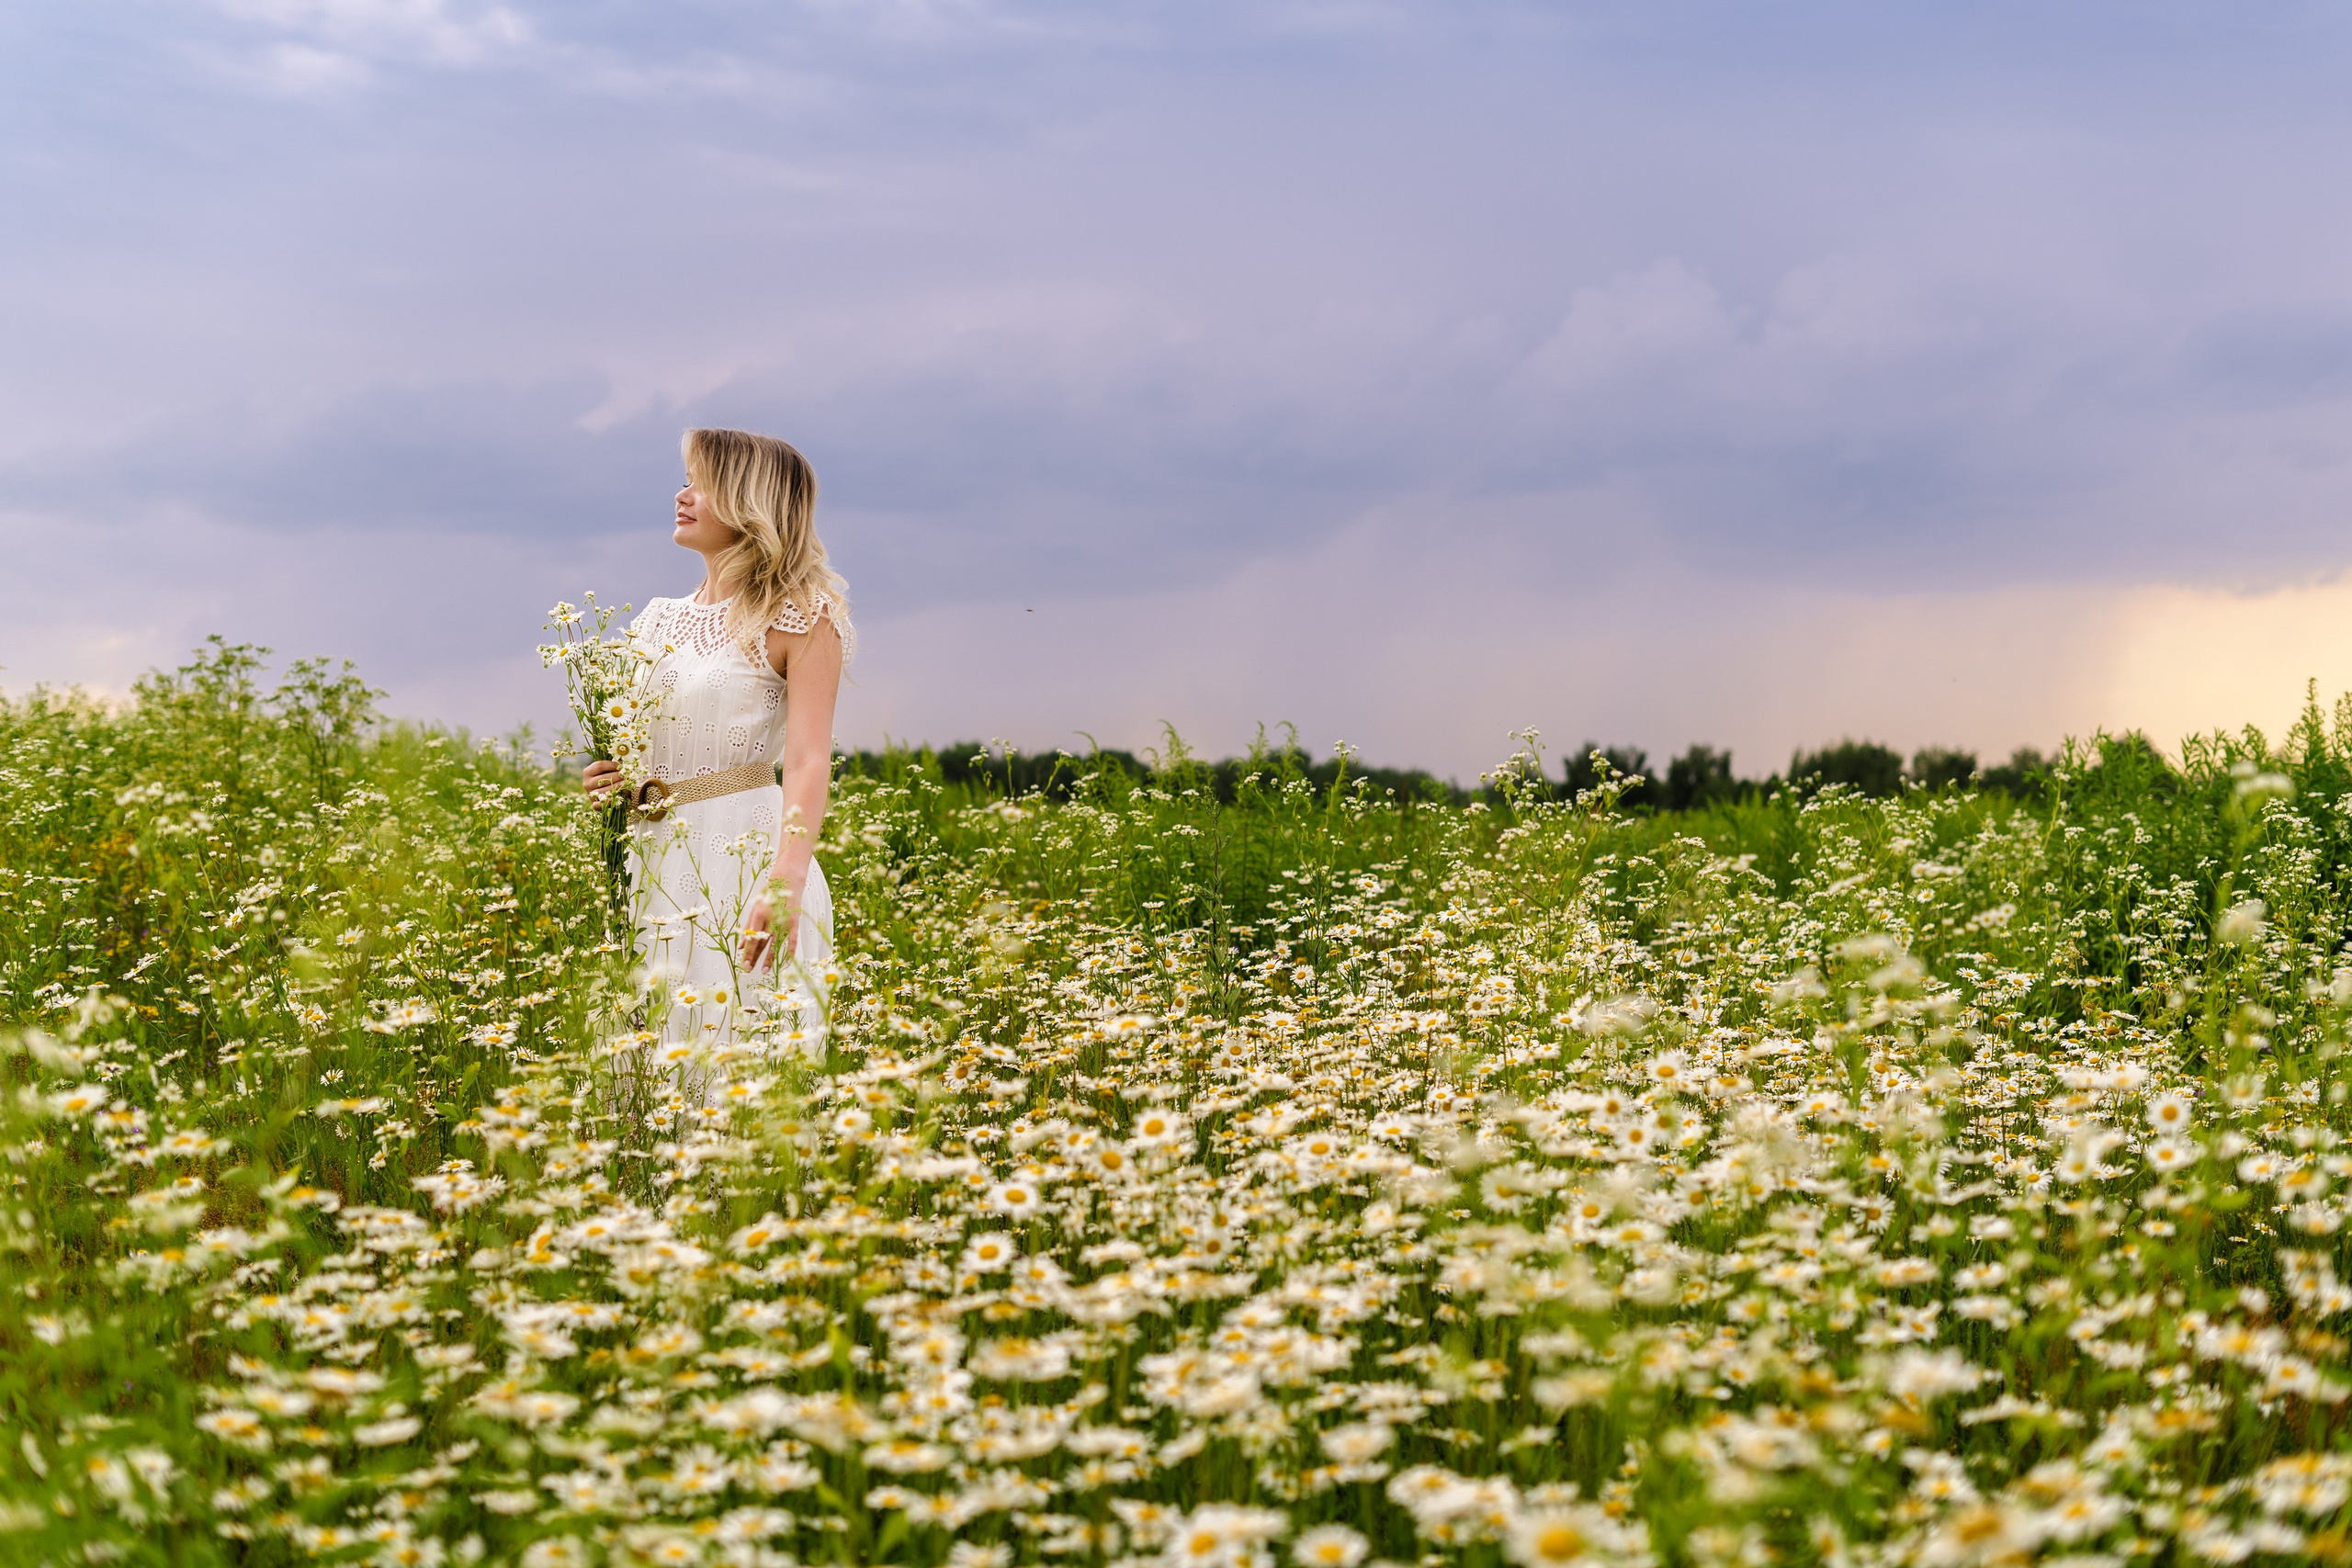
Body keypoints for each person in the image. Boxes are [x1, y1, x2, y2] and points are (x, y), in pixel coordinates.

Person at [582, 428, 851, 1053]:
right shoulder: (653, 620)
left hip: (743, 864)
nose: (683, 494)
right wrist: (606, 780)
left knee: (739, 1058)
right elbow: (634, 747)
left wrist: (786, 875)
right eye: (684, 479)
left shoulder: (802, 613)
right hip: (649, 862)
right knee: (648, 1063)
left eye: (701, 483)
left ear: (748, 500)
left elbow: (810, 758)